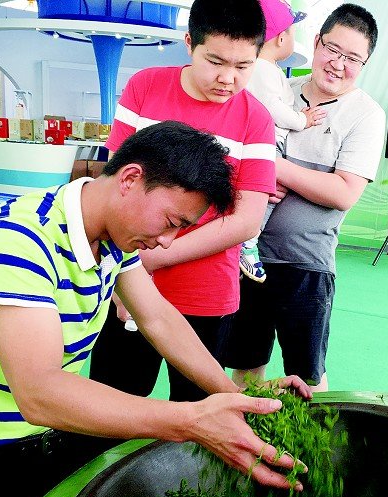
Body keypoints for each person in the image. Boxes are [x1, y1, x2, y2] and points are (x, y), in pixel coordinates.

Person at [0, 122, 311, 497]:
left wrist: (235, 397)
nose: (168, 242)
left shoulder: (112, 240)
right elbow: (39, 393)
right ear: (130, 179)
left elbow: (158, 318)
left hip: (48, 454)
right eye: (171, 221)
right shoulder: (18, 238)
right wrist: (191, 421)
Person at [89, 0, 276, 403]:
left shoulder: (256, 119)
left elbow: (246, 221)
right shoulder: (145, 87)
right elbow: (114, 183)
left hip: (205, 294)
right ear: (190, 43)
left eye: (243, 66)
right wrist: (125, 274)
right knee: (112, 404)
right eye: (215, 61)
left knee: (199, 414)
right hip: (126, 285)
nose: (227, 78)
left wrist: (148, 261)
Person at [226, 3, 385, 392]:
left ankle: (313, 437)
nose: (338, 64)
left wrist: (273, 167)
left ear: (364, 64)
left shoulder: (366, 114)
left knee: (308, 377)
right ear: (316, 43)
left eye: (353, 58)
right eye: (333, 49)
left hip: (307, 264)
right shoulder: (278, 89)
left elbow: (344, 192)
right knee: (245, 367)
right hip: (247, 258)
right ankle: (243, 432)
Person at [239, 0, 327, 283]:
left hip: (260, 142)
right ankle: (247, 242)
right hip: (267, 143)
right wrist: (302, 119)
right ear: (280, 38)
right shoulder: (264, 69)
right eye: (292, 32)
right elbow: (272, 108)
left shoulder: (260, 68)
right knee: (266, 196)